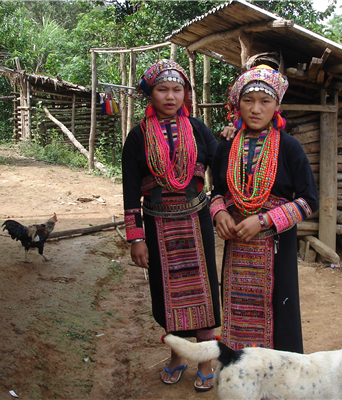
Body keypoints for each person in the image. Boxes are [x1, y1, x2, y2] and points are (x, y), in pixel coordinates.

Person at [122, 59, 220, 391]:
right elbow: (130, 191)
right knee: (167, 294)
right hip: (157, 224)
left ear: (185, 94)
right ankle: (178, 356)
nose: (170, 96)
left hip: (197, 218)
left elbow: (220, 166)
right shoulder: (137, 138)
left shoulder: (198, 128)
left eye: (177, 89)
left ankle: (205, 358)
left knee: (204, 291)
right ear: (150, 94)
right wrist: (136, 238)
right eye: (162, 89)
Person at [210, 65, 319, 353]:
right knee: (236, 306)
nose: (255, 109)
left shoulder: (290, 147)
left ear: (277, 106)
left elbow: (309, 200)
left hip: (276, 248)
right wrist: (220, 212)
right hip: (236, 248)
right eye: (248, 101)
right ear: (237, 104)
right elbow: (216, 192)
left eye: (265, 101)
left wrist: (265, 220)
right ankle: (239, 370)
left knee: (279, 312)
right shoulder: (225, 147)